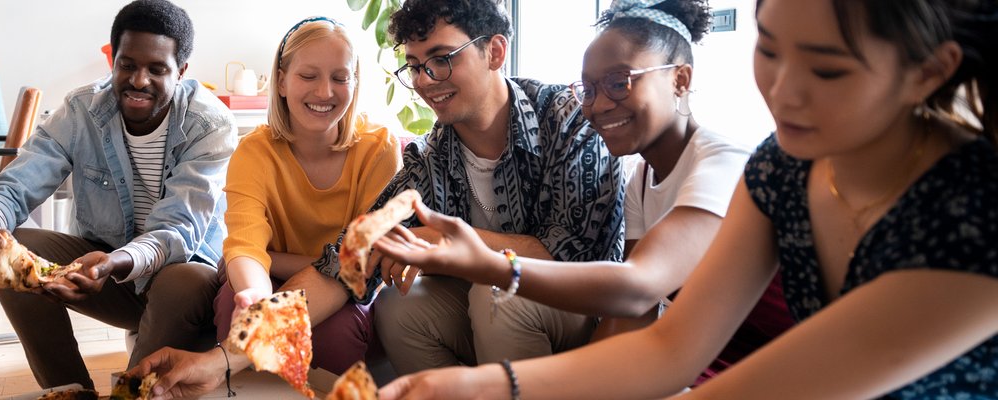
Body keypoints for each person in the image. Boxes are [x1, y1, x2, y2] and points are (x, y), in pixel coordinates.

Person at [379, 0, 998, 398]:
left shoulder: (973, 212)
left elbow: (648, 293)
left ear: (927, 71)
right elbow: (667, 347)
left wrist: (496, 375)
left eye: (828, 70)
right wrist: (485, 385)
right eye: (770, 50)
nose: (781, 92)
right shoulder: (779, 170)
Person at [374, 0, 794, 385]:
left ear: (680, 80)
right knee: (402, 304)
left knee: (498, 296)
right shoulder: (643, 180)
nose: (596, 106)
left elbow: (638, 285)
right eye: (588, 90)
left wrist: (488, 264)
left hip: (761, 363)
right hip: (688, 351)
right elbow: (631, 313)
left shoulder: (721, 162)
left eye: (619, 83)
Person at [312, 0, 625, 377]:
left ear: (494, 52)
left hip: (587, 309)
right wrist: (232, 354)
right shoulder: (432, 154)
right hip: (492, 308)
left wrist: (440, 240)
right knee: (398, 307)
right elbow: (352, 257)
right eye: (414, 66)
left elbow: (573, 254)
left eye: (442, 58)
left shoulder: (567, 119)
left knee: (495, 294)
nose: (424, 80)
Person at [0, 0, 237, 390]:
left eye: (157, 69)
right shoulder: (81, 111)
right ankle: (68, 390)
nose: (139, 80)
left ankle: (132, 394)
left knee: (184, 280)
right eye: (127, 65)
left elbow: (177, 232)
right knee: (10, 247)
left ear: (181, 71)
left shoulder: (210, 124)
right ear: (113, 61)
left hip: (180, 287)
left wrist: (114, 264)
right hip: (109, 281)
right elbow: (14, 186)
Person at [124, 17, 401, 399]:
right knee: (232, 308)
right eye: (308, 76)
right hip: (265, 277)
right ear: (282, 81)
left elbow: (356, 266)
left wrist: (280, 260)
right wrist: (254, 296)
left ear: (355, 82)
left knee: (336, 333)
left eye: (340, 77)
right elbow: (246, 246)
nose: (325, 91)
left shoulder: (380, 149)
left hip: (345, 289)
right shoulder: (255, 151)